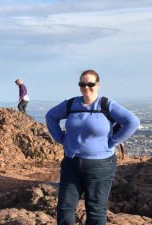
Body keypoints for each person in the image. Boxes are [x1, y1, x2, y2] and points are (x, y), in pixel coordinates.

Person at [45, 69, 140, 225]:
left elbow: (133, 121)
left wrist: (113, 141)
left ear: (98, 85)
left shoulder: (106, 105)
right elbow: (51, 116)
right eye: (82, 84)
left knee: (95, 210)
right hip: (71, 164)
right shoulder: (71, 104)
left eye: (90, 84)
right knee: (64, 208)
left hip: (100, 166)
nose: (86, 87)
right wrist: (61, 139)